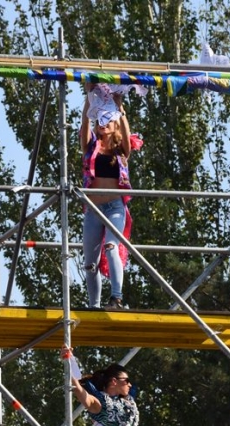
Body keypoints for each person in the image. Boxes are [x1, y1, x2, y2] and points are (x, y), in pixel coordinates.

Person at [80, 84, 141, 310]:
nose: (102, 125)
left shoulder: (121, 151)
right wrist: (89, 100)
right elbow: (84, 127)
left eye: (107, 121)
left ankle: (116, 297)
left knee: (112, 247)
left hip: (115, 207)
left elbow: (125, 134)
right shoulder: (90, 148)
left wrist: (119, 108)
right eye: (100, 121)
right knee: (89, 264)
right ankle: (94, 305)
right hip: (93, 210)